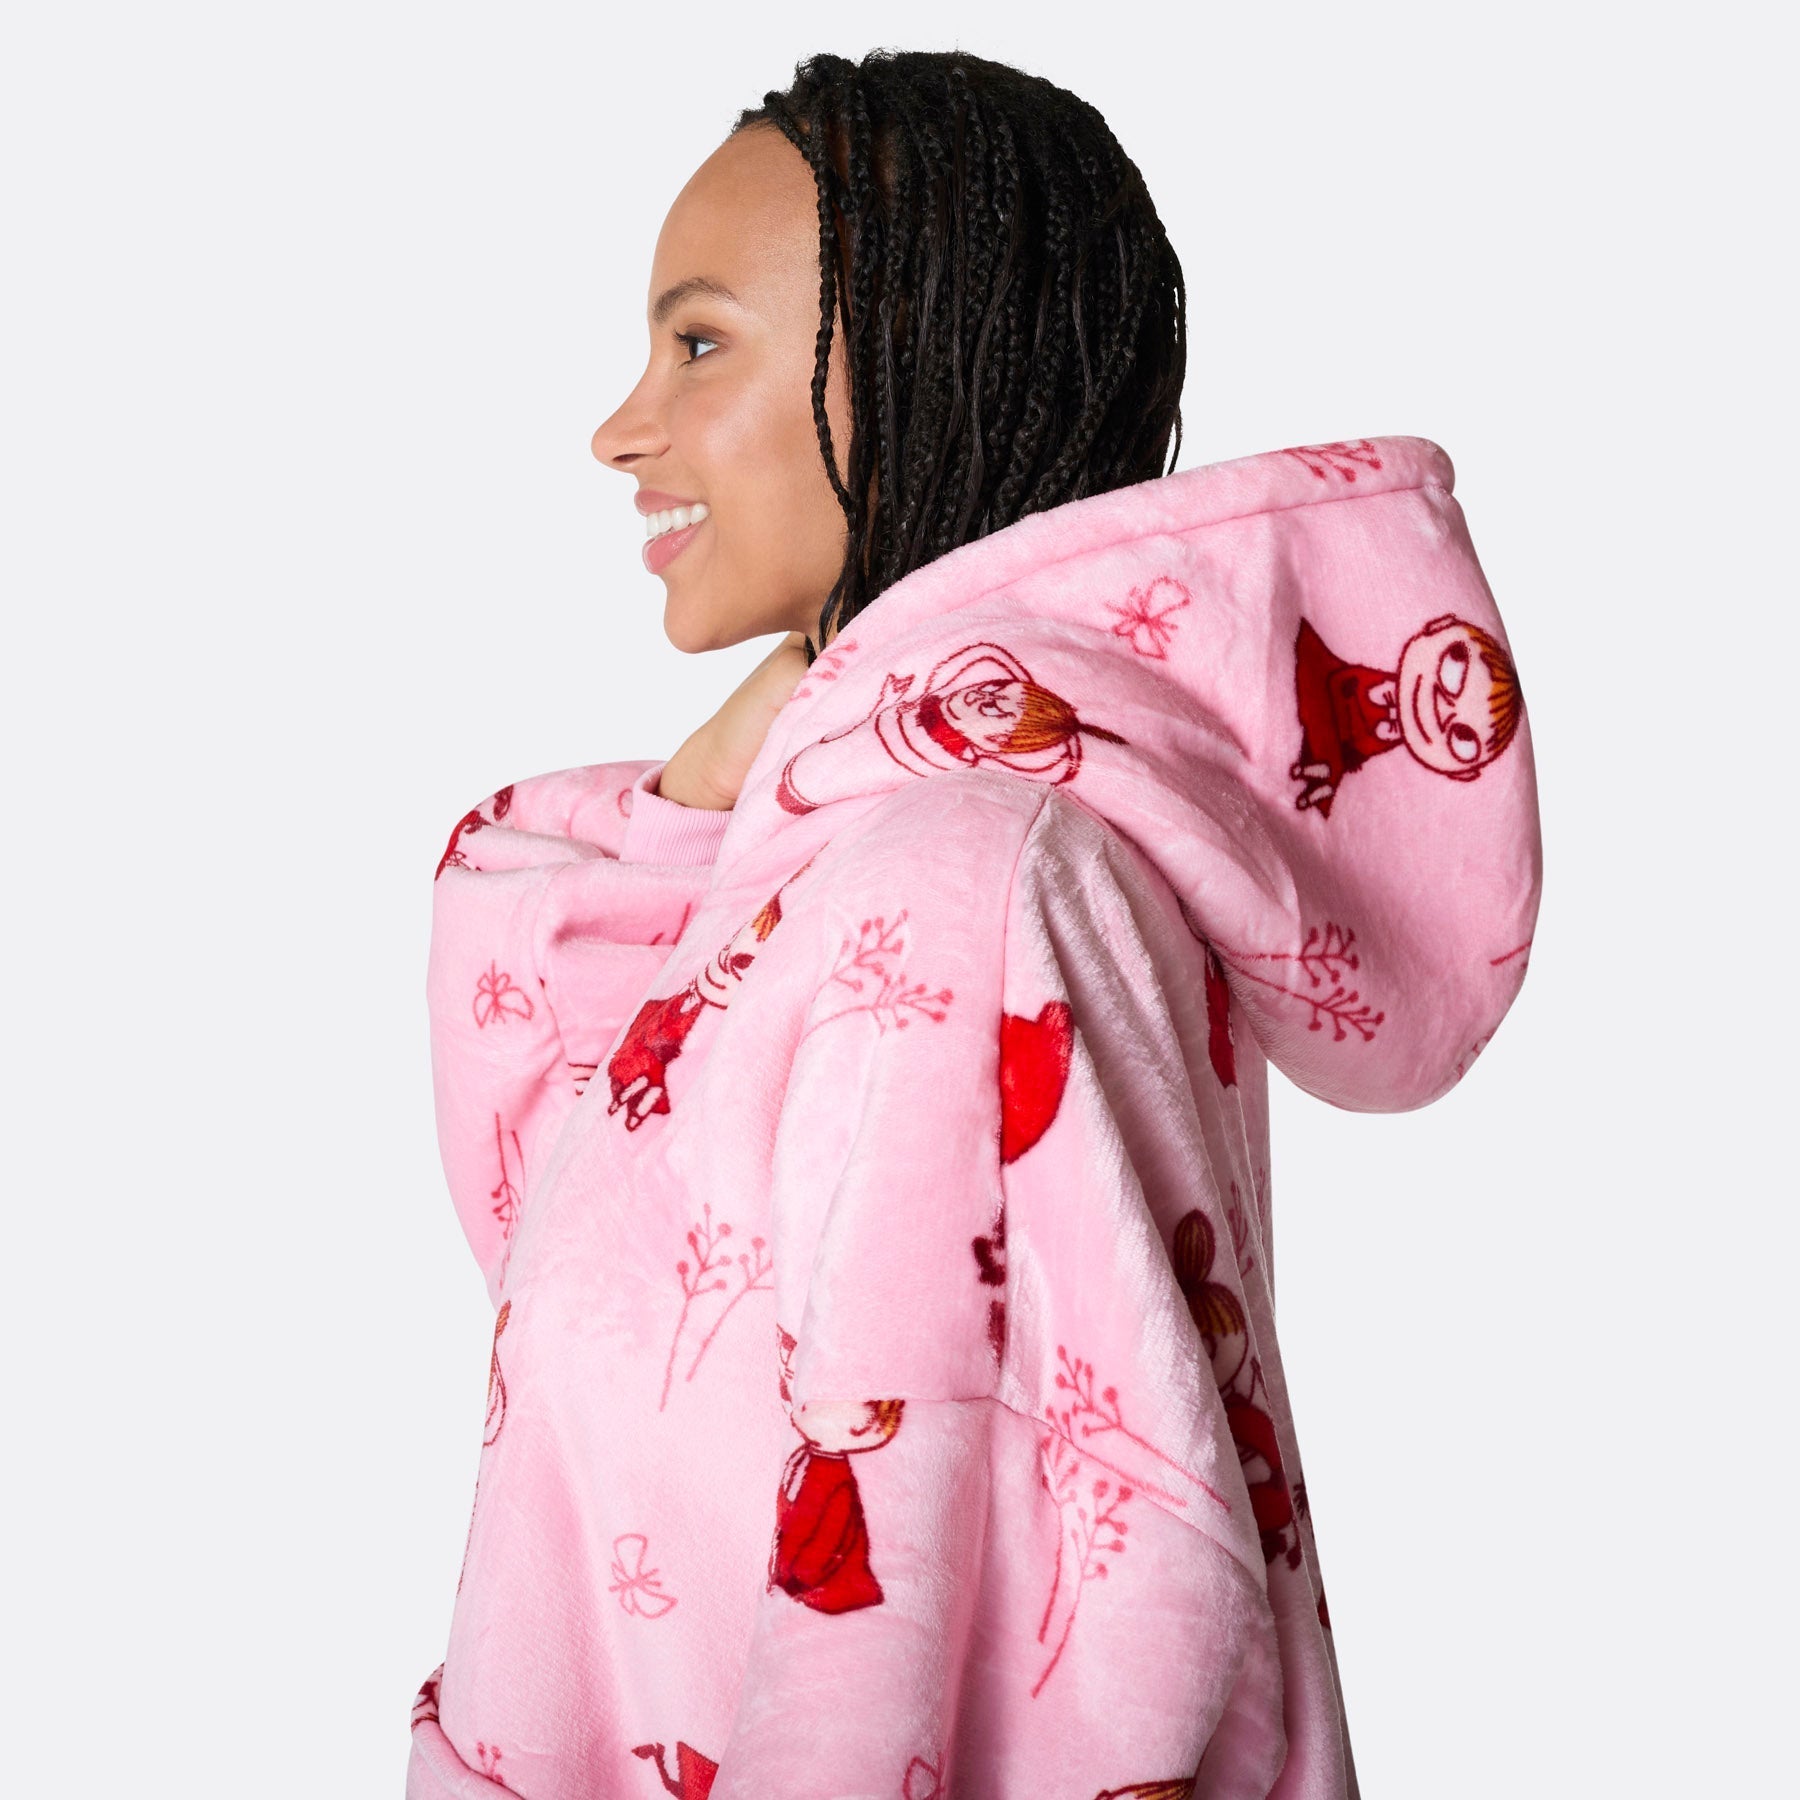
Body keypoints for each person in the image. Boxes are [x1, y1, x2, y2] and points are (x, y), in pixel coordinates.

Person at [409, 49, 1541, 1800]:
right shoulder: (870, 864)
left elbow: (981, 1618)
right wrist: (745, 770)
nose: (621, 428)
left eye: (699, 343)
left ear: (919, 363)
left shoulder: (959, 885)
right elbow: (561, 1206)